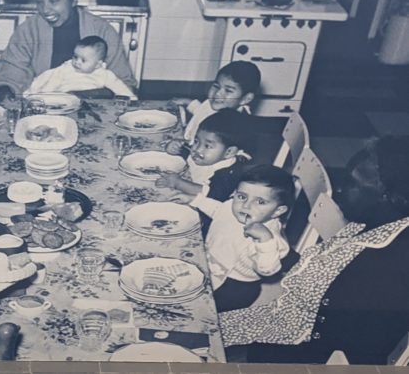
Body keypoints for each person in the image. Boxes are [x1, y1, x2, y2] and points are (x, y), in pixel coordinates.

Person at [221, 136, 409, 364]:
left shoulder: (387, 265)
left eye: (353, 184)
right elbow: (319, 277)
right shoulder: (370, 222)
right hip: (280, 320)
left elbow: (344, 347)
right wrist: (275, 247)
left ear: (388, 197)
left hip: (295, 354)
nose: (339, 189)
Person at [0, 0, 136, 102]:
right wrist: (5, 89)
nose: (45, 10)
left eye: (53, 1)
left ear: (74, 0)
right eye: (40, 2)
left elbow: (124, 84)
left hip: (92, 107)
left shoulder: (102, 30)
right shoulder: (29, 30)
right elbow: (13, 70)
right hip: (44, 105)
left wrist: (87, 95)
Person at [197, 165, 293, 313]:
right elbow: (219, 210)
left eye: (260, 202)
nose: (246, 205)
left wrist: (265, 241)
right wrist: (195, 200)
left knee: (200, 311)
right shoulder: (235, 208)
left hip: (236, 286)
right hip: (211, 261)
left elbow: (268, 270)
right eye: (242, 197)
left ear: (277, 211)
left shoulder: (272, 239)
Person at [170, 61, 261, 146]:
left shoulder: (237, 124)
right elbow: (202, 111)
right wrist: (188, 102)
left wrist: (182, 145)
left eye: (228, 91)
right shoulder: (217, 104)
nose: (218, 93)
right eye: (216, 86)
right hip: (188, 143)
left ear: (245, 99)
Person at [24, 35, 137, 99]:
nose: (77, 62)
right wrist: (40, 97)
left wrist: (132, 99)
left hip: (91, 103)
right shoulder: (67, 68)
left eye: (83, 60)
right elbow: (51, 80)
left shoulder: (104, 74)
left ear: (97, 64)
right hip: (64, 100)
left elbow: (119, 87)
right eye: (75, 57)